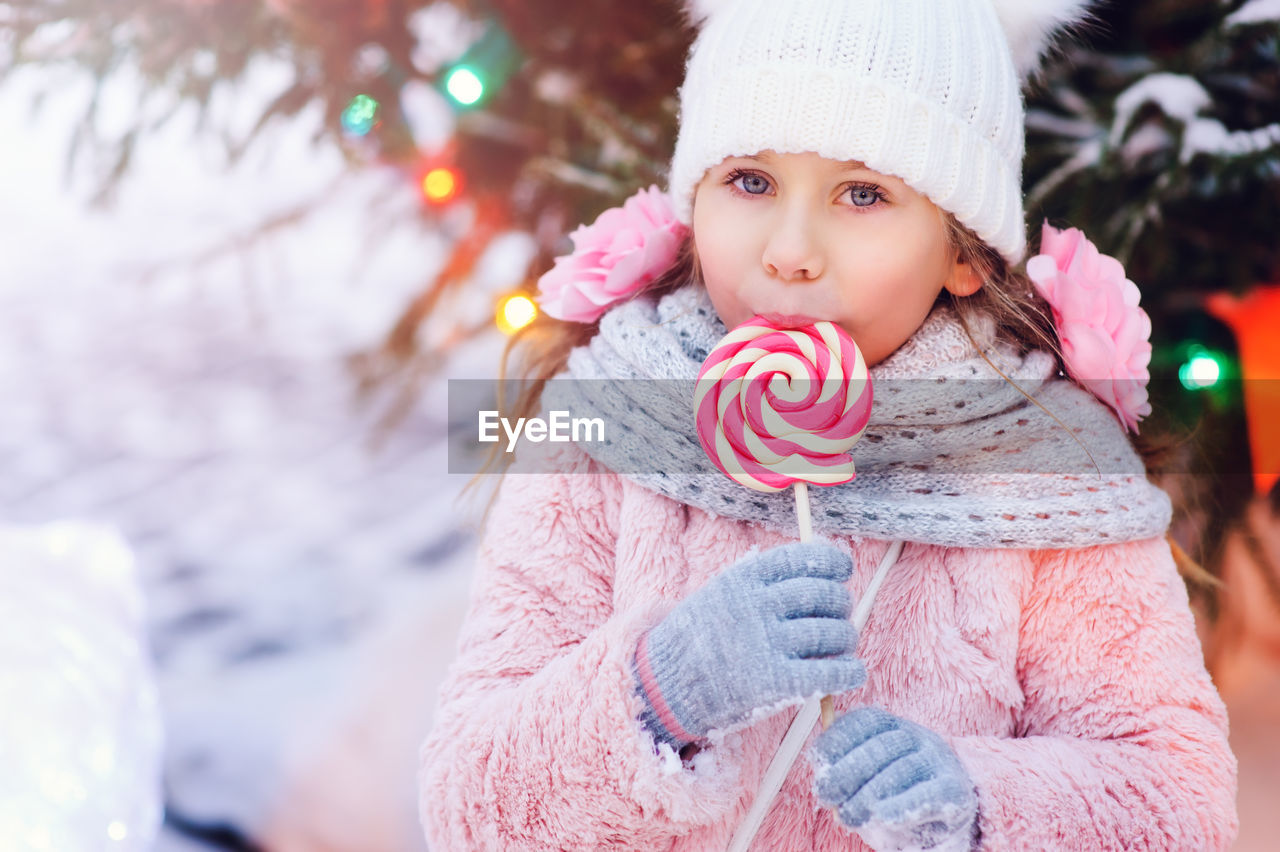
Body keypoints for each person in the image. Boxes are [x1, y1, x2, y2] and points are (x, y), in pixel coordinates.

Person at [418, 0, 1238, 849]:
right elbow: (468, 809)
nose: (790, 249)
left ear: (964, 251)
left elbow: (1174, 801)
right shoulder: (605, 430)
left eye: (862, 193)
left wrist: (981, 804)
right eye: (750, 182)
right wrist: (662, 691)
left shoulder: (1049, 471)